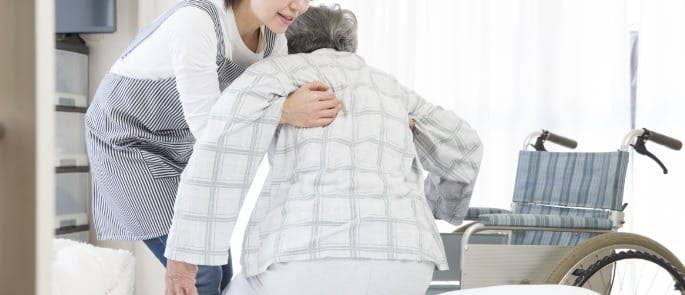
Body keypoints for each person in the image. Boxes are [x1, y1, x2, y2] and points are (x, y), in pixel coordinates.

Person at [164, 5, 483, 295]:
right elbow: (465, 147)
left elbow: (218, 154)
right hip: (406, 262)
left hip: (303, 260)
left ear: (287, 41)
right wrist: (437, 205)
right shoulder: (389, 87)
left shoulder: (272, 74)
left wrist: (184, 263)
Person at [84, 0, 342, 294]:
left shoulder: (274, 44)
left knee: (220, 270)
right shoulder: (196, 22)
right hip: (126, 145)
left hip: (185, 149)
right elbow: (212, 131)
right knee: (201, 273)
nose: (300, 7)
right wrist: (282, 111)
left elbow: (259, 128)